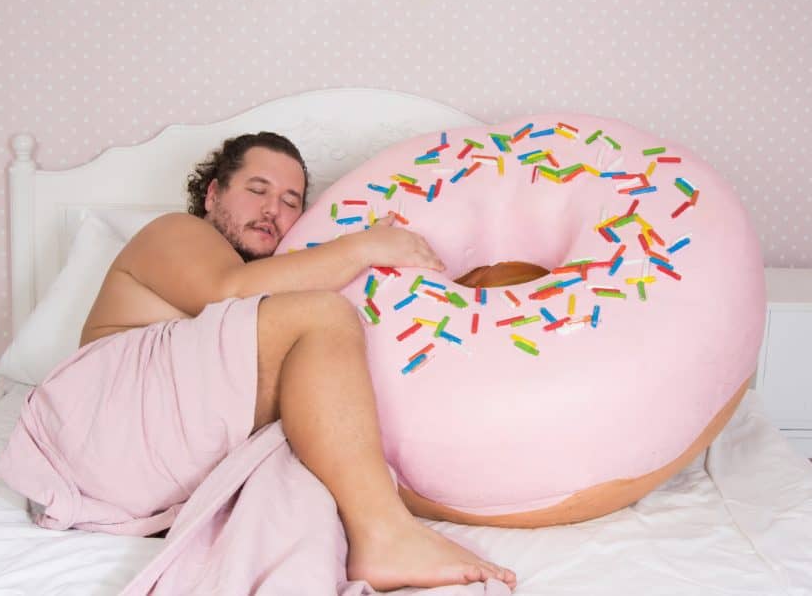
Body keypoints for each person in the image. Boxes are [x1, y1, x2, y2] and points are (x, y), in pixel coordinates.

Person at [71, 131, 517, 591]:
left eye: (290, 202)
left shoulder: (266, 309)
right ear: (213, 193)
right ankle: (385, 533)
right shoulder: (177, 232)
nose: (272, 210)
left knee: (308, 458)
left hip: (154, 477)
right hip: (106, 423)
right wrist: (363, 247)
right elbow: (226, 290)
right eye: (257, 189)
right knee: (322, 315)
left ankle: (376, 537)